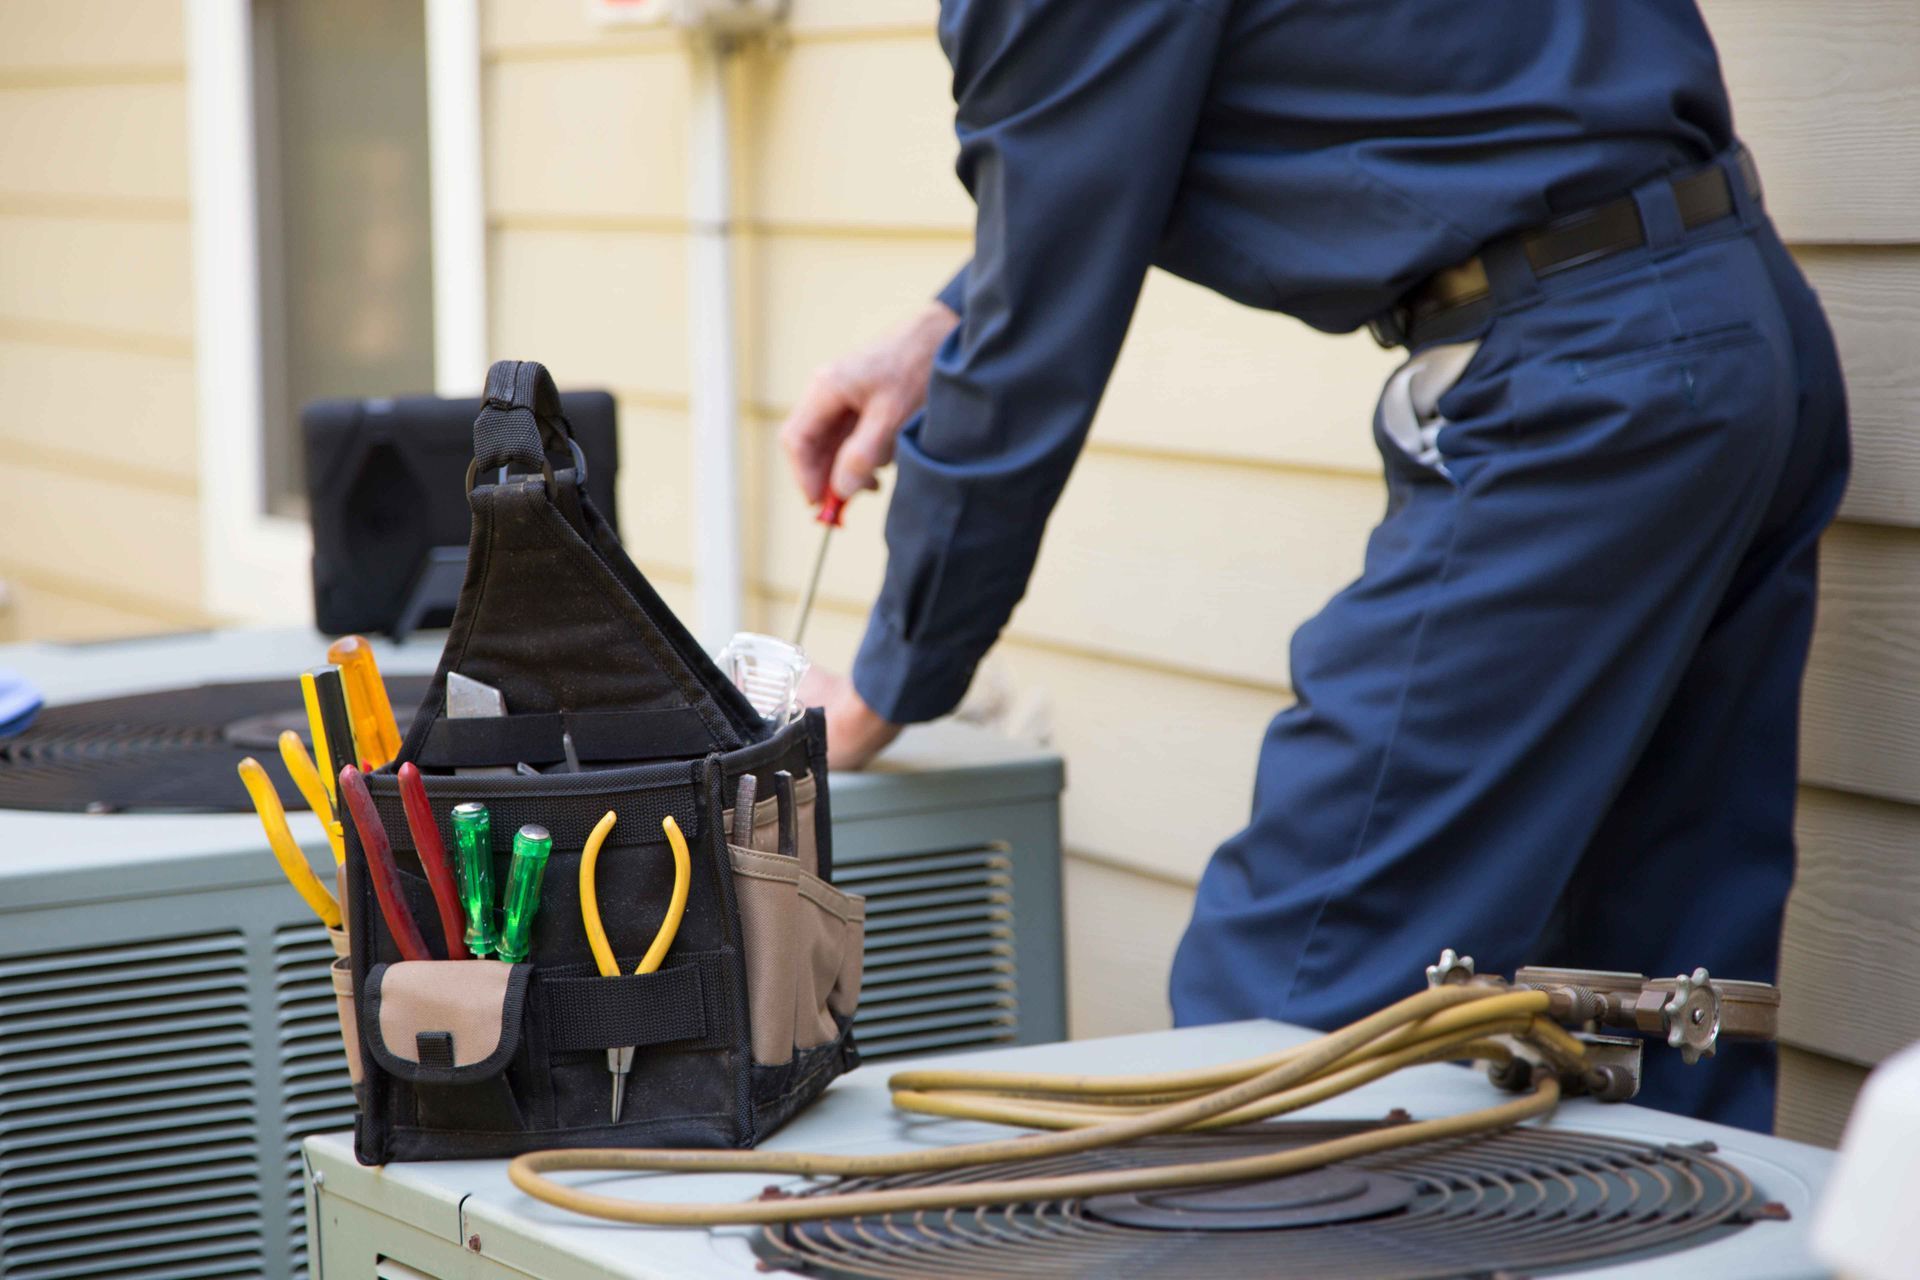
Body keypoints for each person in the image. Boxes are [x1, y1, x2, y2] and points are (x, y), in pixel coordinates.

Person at [777, 0, 1849, 1132]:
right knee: (1657, 1011)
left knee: (1281, 1022)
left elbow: (1037, 327)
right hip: (1734, 325)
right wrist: (948, 321)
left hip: (1595, 389)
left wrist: (888, 684)